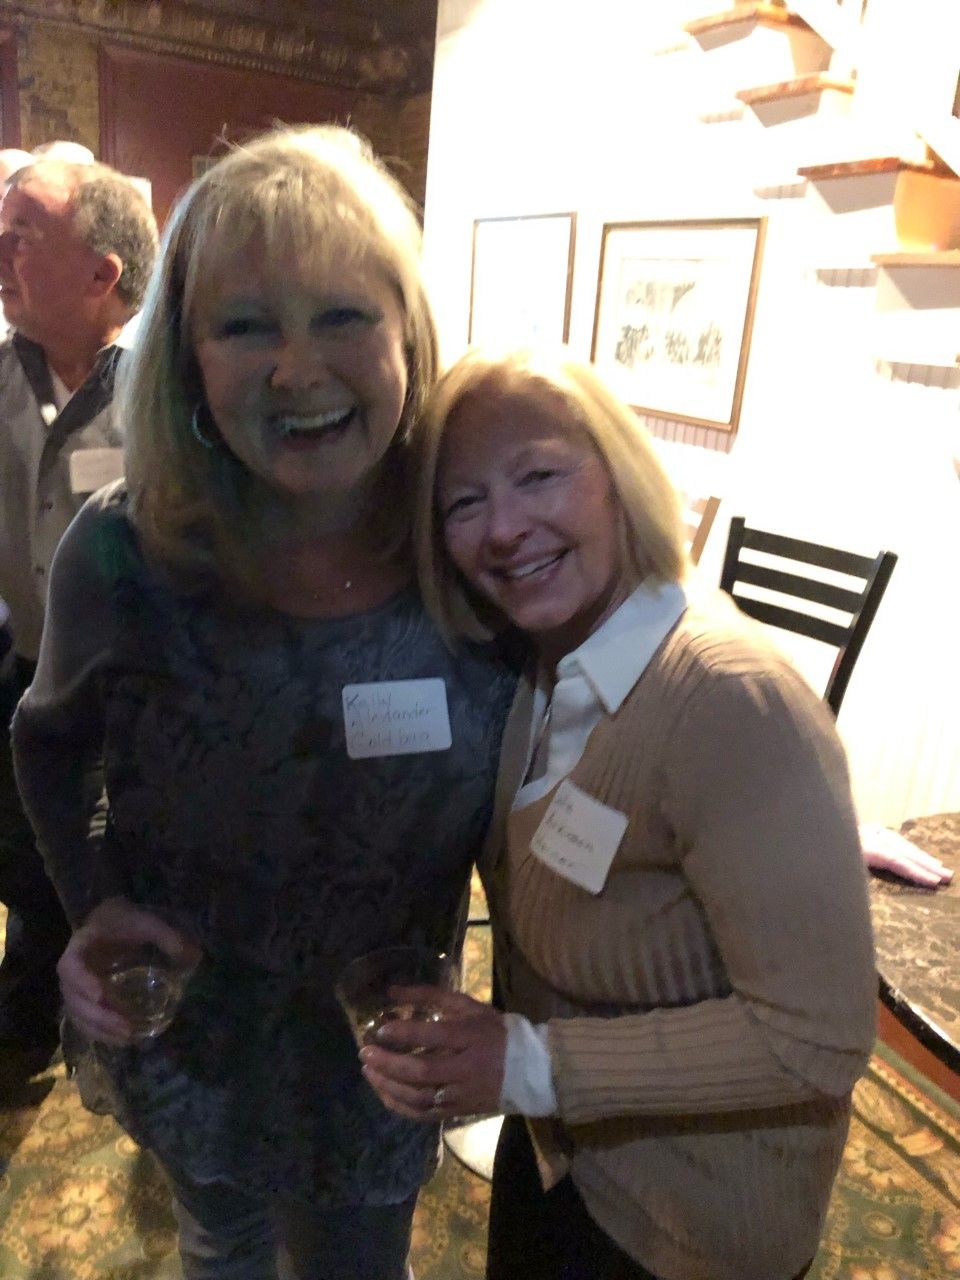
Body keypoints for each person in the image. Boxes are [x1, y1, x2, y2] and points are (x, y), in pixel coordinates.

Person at [11, 126, 515, 1280]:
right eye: (246, 325)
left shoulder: (470, 547)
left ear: (406, 331)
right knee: (219, 1247)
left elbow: (606, 714)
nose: (297, 370)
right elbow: (46, 745)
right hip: (189, 1046)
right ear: (188, 355)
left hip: (379, 1062)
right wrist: (89, 901)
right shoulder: (126, 552)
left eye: (342, 315)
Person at [361, 348, 878, 1280]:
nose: (505, 529)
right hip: (561, 1155)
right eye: (464, 502)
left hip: (697, 1222)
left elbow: (818, 1040)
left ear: (618, 475)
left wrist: (527, 1062)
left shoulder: (730, 696)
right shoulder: (532, 665)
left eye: (540, 475)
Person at [0, 157, 158, 1078]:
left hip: (132, 698)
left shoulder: (166, 400)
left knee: (120, 867)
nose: (3, 249)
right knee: (27, 855)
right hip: (18, 677)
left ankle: (118, 1029)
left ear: (102, 274)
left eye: (25, 231)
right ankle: (29, 1016)